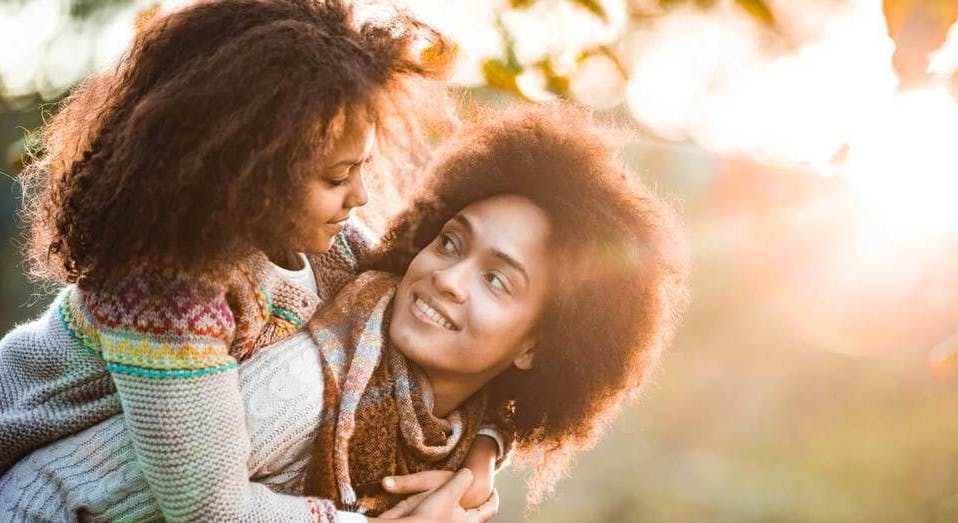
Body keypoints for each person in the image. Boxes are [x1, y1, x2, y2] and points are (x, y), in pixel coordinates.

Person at [0, 105, 690, 522]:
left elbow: (499, 413)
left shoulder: (438, 420)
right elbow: (59, 488)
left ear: (537, 345)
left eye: (497, 281)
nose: (447, 278)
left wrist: (480, 462)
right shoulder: (298, 387)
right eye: (449, 241)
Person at [0, 0, 501, 520]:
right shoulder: (162, 293)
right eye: (337, 176)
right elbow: (212, 511)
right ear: (251, 174)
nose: (360, 197)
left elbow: (441, 345)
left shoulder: (333, 244)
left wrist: (482, 452)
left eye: (363, 167)